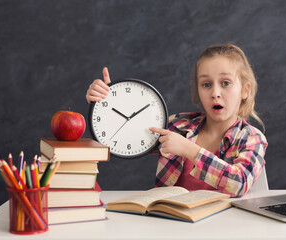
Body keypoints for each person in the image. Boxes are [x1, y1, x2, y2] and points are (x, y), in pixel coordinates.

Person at [86, 44, 268, 197]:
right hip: (171, 225)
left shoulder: (252, 138)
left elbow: (240, 183)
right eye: (206, 84)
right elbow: (127, 140)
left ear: (245, 90)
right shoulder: (178, 126)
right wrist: (106, 103)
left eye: (225, 83)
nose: (215, 93)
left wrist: (190, 150)